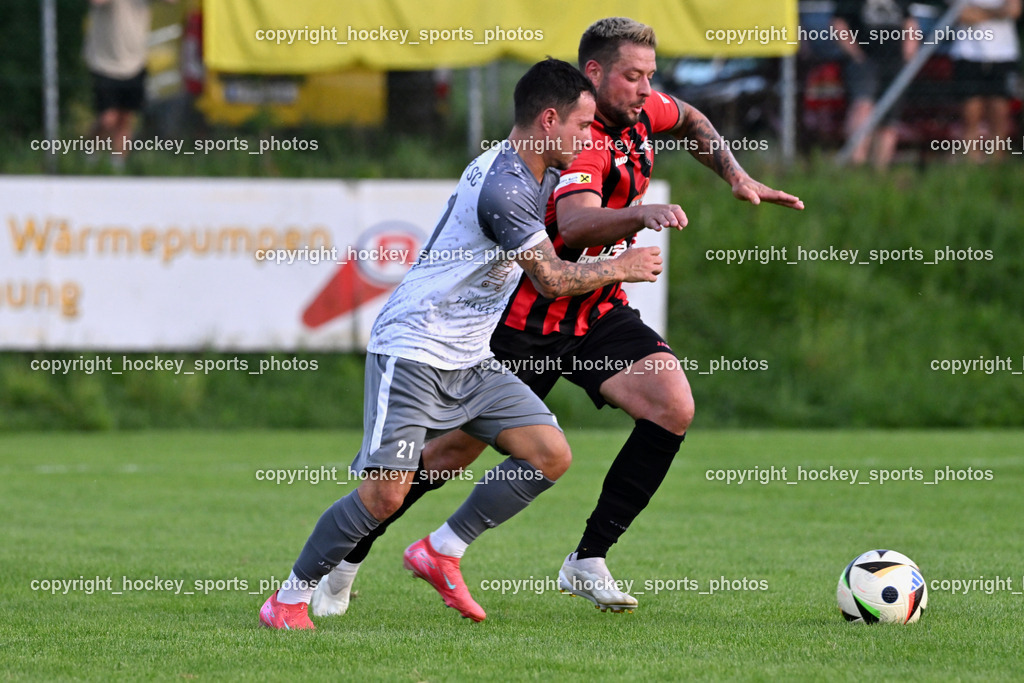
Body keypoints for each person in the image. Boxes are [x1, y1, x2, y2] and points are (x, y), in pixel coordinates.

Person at [311, 17, 803, 618]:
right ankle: (347, 557)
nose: (646, 89)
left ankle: (584, 558)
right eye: (632, 76)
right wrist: (638, 218)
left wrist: (735, 173)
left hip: (596, 311)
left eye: (650, 76)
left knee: (672, 404)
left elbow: (694, 119)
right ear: (593, 75)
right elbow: (572, 223)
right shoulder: (575, 137)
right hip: (530, 319)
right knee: (447, 456)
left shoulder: (643, 110)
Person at [258, 58, 664, 629]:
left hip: (472, 358)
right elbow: (549, 279)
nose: (587, 136)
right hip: (416, 349)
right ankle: (288, 597)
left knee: (549, 455)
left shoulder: (535, 168)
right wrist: (622, 265)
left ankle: (442, 550)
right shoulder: (506, 188)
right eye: (580, 126)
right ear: (549, 120)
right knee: (383, 497)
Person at [832, 0, 920, 168]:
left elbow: (910, 23)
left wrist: (910, 55)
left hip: (895, 63)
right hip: (865, 61)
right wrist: (857, 55)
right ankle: (856, 165)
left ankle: (879, 173)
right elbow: (839, 24)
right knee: (863, 107)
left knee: (889, 120)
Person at [83, 0, 169, 168]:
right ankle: (89, 155)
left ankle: (117, 165)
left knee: (126, 118)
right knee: (108, 118)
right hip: (104, 62)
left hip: (135, 62)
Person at [950, 0, 1021, 162]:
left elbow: (1013, 10)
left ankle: (995, 169)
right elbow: (963, 15)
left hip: (1004, 55)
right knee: (970, 117)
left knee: (1000, 116)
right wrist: (997, 12)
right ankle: (971, 169)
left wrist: (979, 11)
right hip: (967, 54)